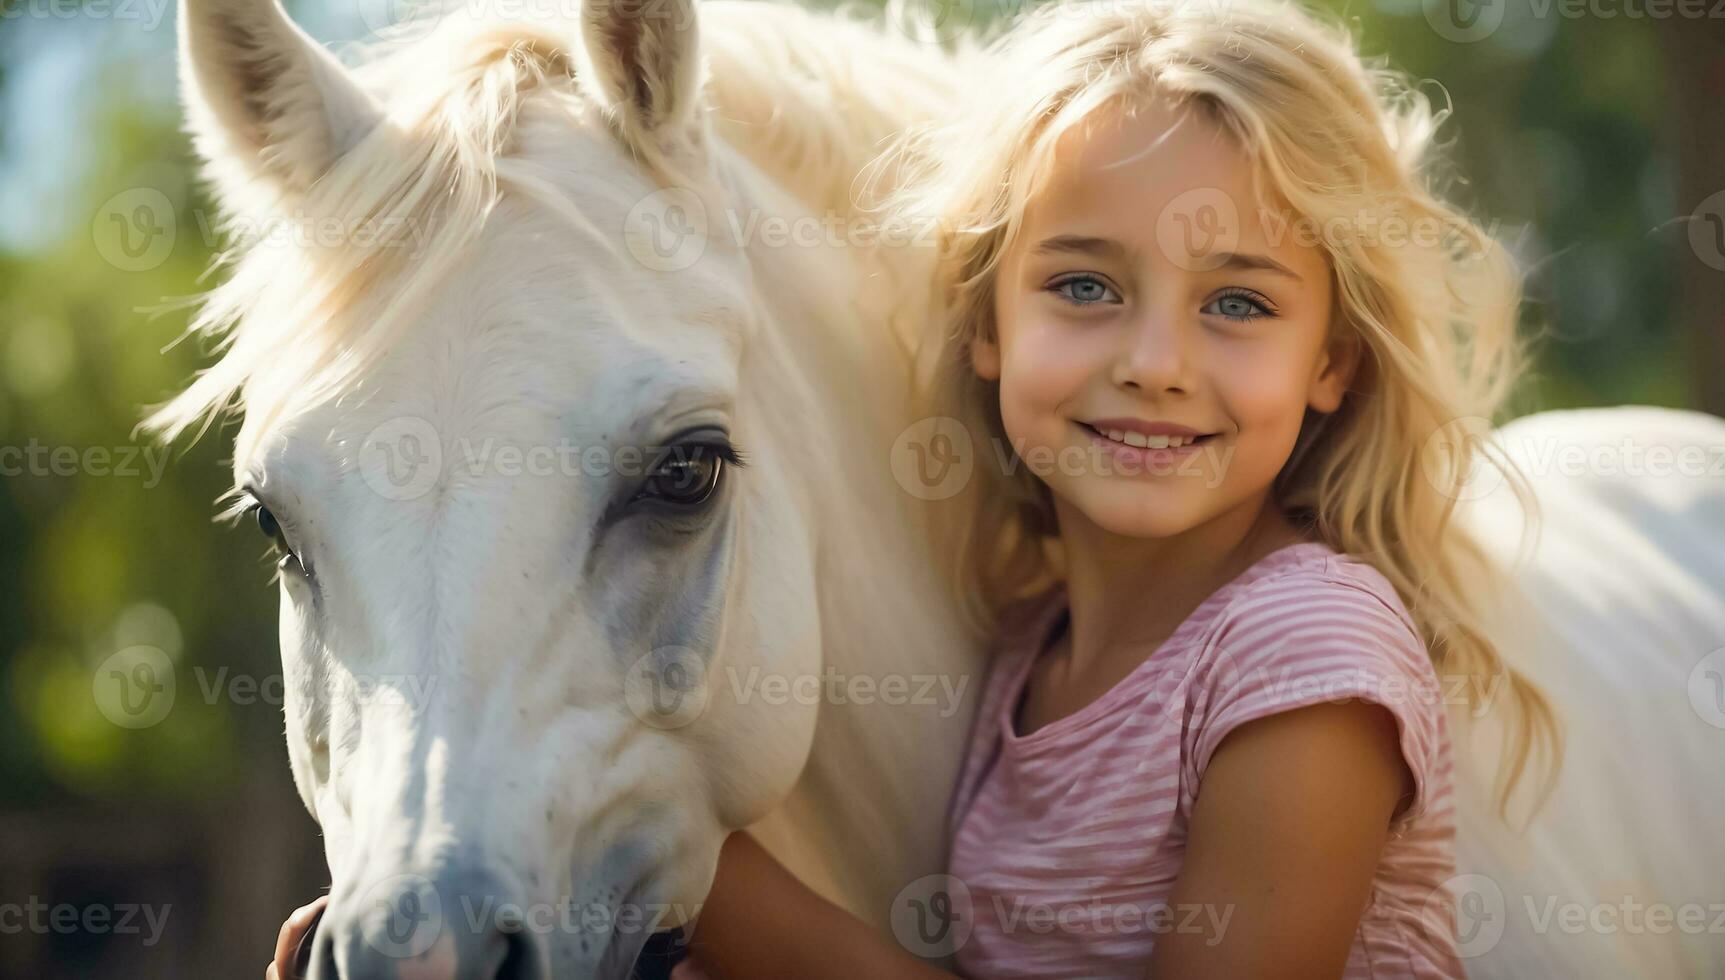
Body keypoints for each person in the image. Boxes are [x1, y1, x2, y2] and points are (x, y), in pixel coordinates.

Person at [269, 0, 1561, 975]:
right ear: (985, 323)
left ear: (1329, 359)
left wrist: (707, 881)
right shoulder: (1021, 656)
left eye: (1235, 303)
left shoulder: (1303, 659)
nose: (1154, 364)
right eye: (1082, 287)